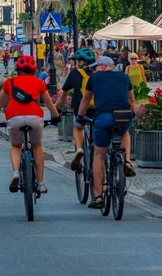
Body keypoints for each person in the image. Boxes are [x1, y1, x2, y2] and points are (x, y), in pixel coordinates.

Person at [0, 55, 60, 195]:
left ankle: (16, 172)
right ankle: (40, 184)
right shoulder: (38, 82)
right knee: (37, 145)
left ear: (17, 69)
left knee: (16, 145)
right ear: (33, 69)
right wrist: (56, 117)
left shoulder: (9, 83)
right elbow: (49, 103)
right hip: (34, 117)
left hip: (14, 117)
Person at [77, 55, 137, 209]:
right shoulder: (124, 77)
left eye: (95, 67)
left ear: (103, 67)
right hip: (124, 116)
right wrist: (133, 115)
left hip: (104, 117)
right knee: (124, 132)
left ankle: (98, 196)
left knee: (99, 155)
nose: (94, 70)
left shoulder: (94, 79)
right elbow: (131, 100)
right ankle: (127, 161)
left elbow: (85, 100)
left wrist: (80, 116)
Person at [54, 48, 97, 171]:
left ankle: (79, 149)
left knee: (78, 127)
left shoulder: (74, 73)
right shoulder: (98, 72)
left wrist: (54, 109)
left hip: (81, 110)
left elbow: (63, 96)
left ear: (80, 62)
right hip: (98, 109)